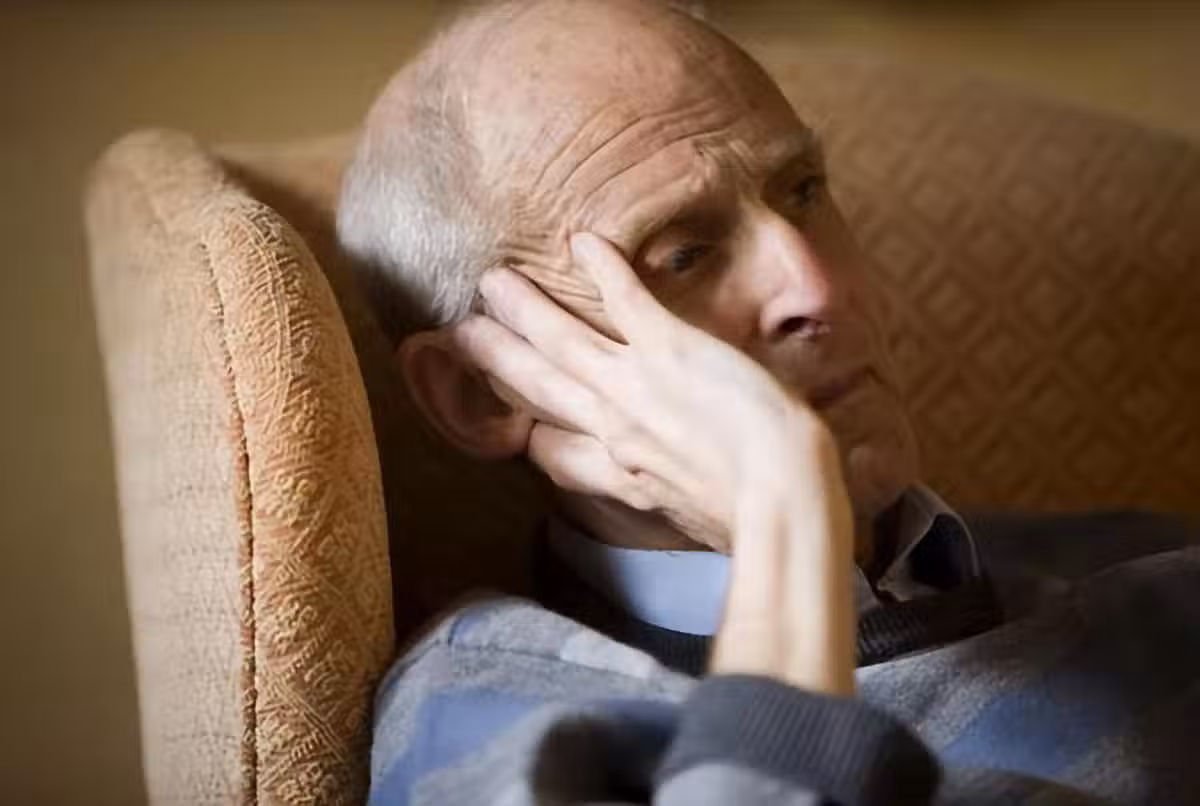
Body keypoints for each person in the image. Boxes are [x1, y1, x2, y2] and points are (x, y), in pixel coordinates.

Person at [336, 1, 1200, 804]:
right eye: (682, 255)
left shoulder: (1153, 569)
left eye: (804, 191)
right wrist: (783, 515)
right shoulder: (482, 712)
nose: (815, 289)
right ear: (484, 392)